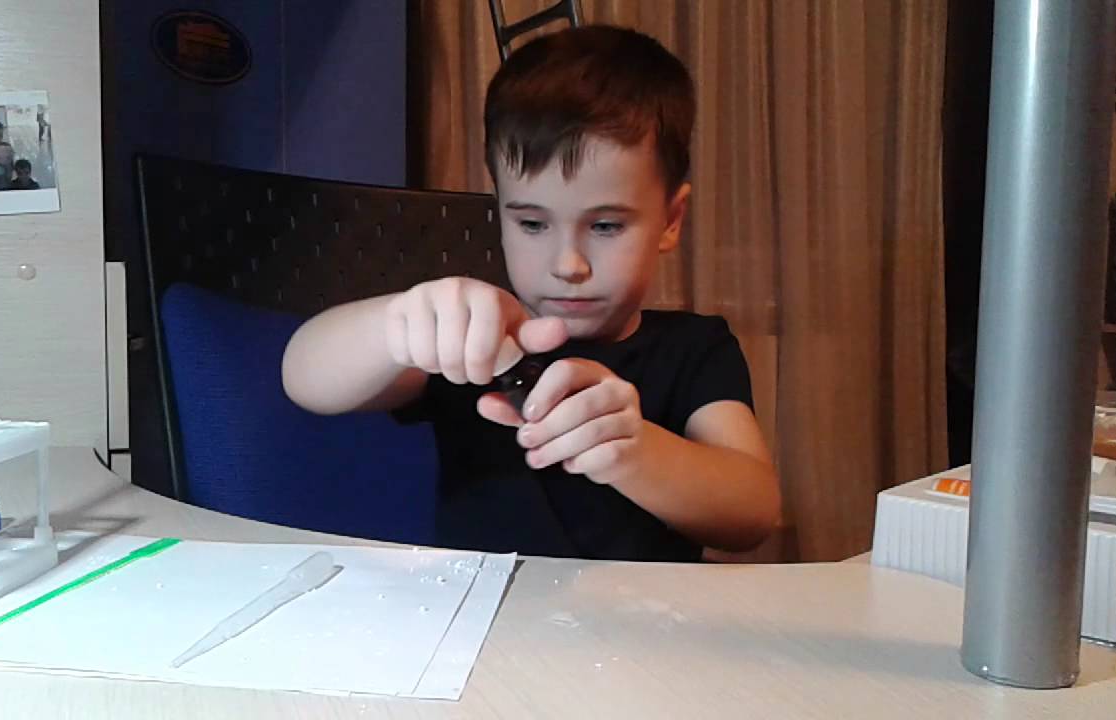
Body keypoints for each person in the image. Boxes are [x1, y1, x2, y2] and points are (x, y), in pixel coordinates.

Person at [281, 26, 780, 562]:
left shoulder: (694, 348)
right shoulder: (475, 339)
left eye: (606, 226)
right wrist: (399, 323)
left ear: (671, 220)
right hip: (483, 611)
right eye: (533, 224)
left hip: (644, 614)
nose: (569, 265)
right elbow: (304, 377)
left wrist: (631, 450)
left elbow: (752, 514)